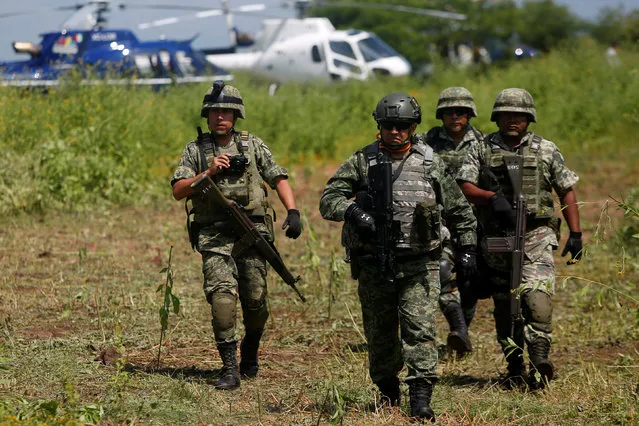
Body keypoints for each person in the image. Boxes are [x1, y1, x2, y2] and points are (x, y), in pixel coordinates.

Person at [319, 92, 477, 420]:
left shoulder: (430, 162)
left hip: (420, 263)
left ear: (414, 127)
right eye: (389, 125)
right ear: (379, 126)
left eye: (402, 126)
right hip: (374, 263)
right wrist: (354, 212)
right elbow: (329, 198)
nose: (395, 132)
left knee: (420, 329)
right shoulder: (363, 160)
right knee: (380, 334)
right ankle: (388, 389)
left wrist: (468, 251)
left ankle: (420, 398)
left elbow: (460, 211)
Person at [171, 81, 302, 391]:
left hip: (253, 233)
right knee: (222, 300)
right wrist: (208, 173)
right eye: (215, 112)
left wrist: (293, 211)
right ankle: (229, 368)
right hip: (215, 236)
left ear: (236, 115)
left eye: (226, 112)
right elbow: (178, 191)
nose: (220, 117)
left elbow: (278, 177)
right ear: (207, 115)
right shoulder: (195, 150)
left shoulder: (253, 145)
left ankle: (250, 351)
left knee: (256, 303)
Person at [456, 88, 583, 389]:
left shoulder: (546, 149)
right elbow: (464, 185)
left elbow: (566, 189)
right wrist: (491, 198)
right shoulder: (480, 148)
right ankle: (514, 366)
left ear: (529, 118)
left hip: (537, 235)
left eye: (519, 115)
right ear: (497, 117)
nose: (513, 120)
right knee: (506, 308)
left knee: (538, 300)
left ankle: (540, 360)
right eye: (506, 115)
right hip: (497, 238)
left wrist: (576, 233)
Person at [419, 86, 484, 356]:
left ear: (469, 114)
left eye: (460, 112)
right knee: (443, 271)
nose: (454, 117)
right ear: (440, 115)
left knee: (470, 281)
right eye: (448, 112)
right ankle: (458, 329)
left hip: (474, 222)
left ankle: (461, 334)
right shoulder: (427, 141)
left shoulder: (483, 143)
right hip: (439, 220)